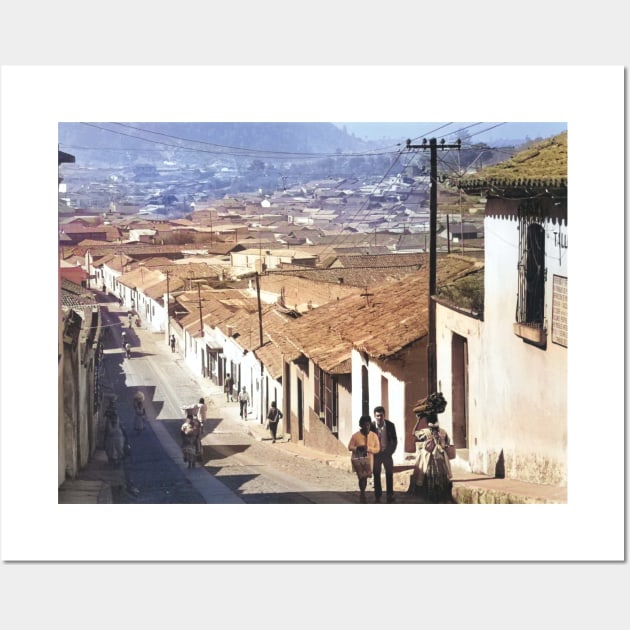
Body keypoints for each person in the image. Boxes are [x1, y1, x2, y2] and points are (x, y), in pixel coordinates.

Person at [409, 392, 454, 503]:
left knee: (429, 476)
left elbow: (413, 433)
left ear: (428, 422)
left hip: (429, 459)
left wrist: (418, 420)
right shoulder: (443, 432)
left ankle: (431, 497)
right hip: (441, 459)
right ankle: (442, 497)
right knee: (442, 476)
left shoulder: (425, 432)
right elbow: (448, 443)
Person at [348, 416, 381, 502]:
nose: (367, 427)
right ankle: (362, 493)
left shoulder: (374, 436)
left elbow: (377, 449)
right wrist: (357, 448)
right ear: (361, 425)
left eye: (368, 425)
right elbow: (350, 447)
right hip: (358, 459)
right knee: (361, 477)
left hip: (369, 460)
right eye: (364, 425)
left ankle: (363, 493)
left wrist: (368, 449)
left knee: (365, 477)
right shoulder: (355, 436)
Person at [371, 405, 398, 502]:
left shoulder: (391, 426)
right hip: (376, 455)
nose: (379, 418)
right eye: (377, 416)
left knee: (389, 474)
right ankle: (378, 495)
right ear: (374, 416)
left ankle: (390, 495)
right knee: (376, 474)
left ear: (384, 415)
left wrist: (389, 452)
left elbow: (394, 441)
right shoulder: (371, 426)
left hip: (387, 454)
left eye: (381, 415)